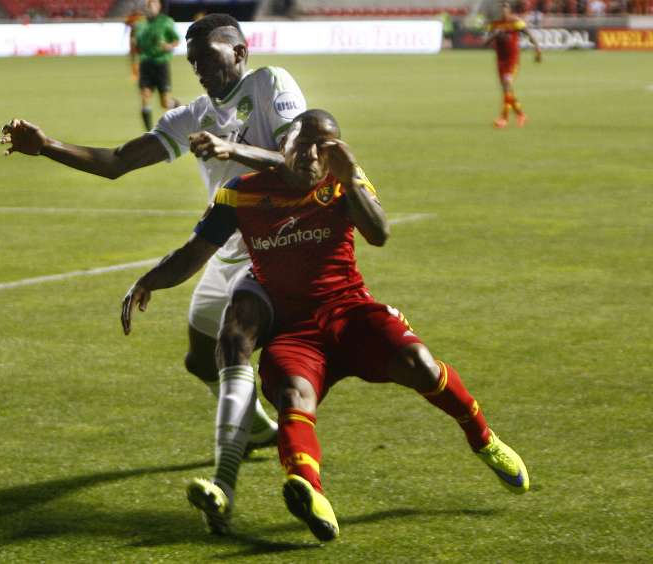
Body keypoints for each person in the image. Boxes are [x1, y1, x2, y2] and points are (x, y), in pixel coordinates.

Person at [121, 109, 530, 540]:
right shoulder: (240, 193)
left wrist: (352, 178)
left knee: (420, 363)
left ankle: (484, 439)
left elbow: (379, 233)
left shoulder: (342, 184)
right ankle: (311, 494)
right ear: (283, 147)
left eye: (325, 146)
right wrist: (148, 280)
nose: (313, 154)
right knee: (292, 396)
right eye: (304, 144)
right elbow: (195, 252)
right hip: (294, 331)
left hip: (350, 313)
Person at [0, 13, 308, 532]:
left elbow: (297, 163)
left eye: (209, 58)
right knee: (197, 359)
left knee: (233, 343)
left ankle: (224, 483)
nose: (201, 70)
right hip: (222, 248)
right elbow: (118, 161)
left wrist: (234, 149)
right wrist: (47, 146)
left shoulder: (270, 83)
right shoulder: (193, 116)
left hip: (277, 244)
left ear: (239, 51)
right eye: (194, 63)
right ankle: (258, 429)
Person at [483, 1, 542, 128]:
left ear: (509, 9)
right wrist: (495, 35)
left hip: (512, 60)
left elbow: (529, 34)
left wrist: (537, 50)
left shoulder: (515, 21)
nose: (503, 10)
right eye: (501, 7)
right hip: (500, 60)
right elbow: (485, 44)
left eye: (505, 7)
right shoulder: (494, 24)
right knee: (506, 90)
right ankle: (521, 114)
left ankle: (503, 119)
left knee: (507, 84)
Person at [131, 0, 180, 130]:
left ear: (158, 6)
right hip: (145, 64)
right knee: (145, 96)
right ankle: (149, 132)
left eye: (151, 5)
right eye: (147, 6)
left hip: (161, 64)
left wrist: (169, 46)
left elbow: (176, 40)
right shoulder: (140, 24)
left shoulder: (166, 21)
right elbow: (137, 46)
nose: (149, 8)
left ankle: (177, 106)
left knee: (164, 103)